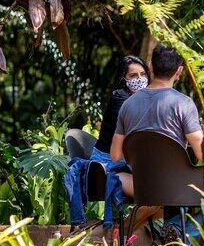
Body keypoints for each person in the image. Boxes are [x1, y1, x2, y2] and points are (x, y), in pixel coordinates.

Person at [110, 45, 204, 239]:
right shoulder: (183, 104)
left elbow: (115, 155)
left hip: (143, 186)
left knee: (179, 198)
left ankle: (172, 240)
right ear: (179, 71)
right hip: (177, 186)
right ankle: (182, 237)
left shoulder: (128, 104)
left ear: (151, 67)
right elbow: (202, 155)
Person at [64, 55, 150, 233]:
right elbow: (133, 132)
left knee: (162, 191)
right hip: (107, 162)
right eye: (133, 76)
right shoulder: (120, 98)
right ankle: (123, 231)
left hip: (130, 160)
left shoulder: (145, 99)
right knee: (157, 193)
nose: (140, 79)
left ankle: (127, 231)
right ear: (123, 79)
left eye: (143, 74)